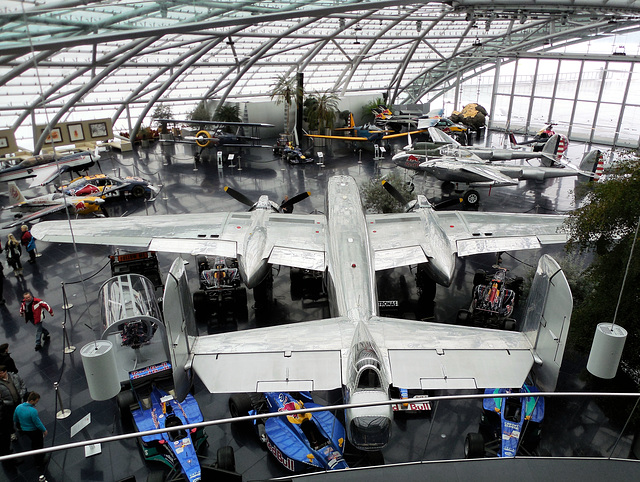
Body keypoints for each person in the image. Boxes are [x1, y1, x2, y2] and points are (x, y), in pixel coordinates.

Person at [13, 391, 47, 472]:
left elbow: (15, 418)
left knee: (34, 442)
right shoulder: (32, 411)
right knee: (38, 444)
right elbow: (37, 423)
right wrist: (44, 430)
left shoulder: (18, 407)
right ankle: (39, 461)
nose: (36, 403)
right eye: (36, 401)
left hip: (25, 430)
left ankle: (38, 455)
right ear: (32, 401)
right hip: (34, 430)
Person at [0, 365, 26, 456]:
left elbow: (22, 384)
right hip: (8, 405)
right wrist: (4, 402)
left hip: (18, 401)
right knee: (9, 419)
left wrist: (21, 394)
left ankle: (20, 426)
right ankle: (12, 433)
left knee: (20, 415)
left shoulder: (14, 376)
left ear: (5, 371)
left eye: (0, 372)